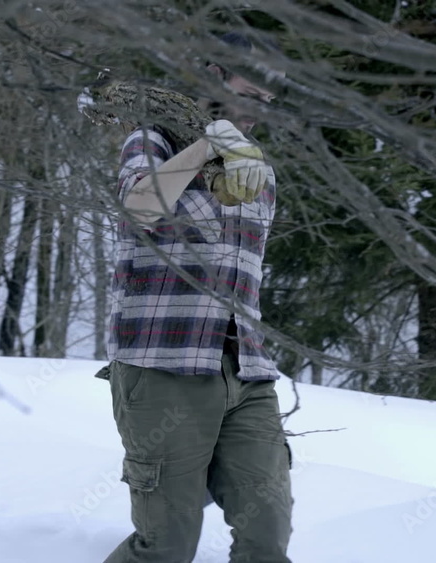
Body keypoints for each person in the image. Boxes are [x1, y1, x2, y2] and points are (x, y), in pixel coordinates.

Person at [96, 31, 293, 562]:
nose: (256, 112)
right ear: (212, 76)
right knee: (167, 545)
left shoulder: (258, 169)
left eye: (266, 102)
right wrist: (208, 143)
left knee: (267, 535)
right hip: (164, 366)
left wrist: (236, 154)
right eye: (248, 95)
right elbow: (139, 207)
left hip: (246, 370)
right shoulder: (152, 141)